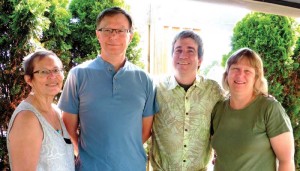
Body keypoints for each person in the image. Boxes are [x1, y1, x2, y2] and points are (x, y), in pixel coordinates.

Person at [58, 7, 158, 171]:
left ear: (130, 36)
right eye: (107, 30)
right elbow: (68, 126)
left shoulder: (144, 79)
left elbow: (146, 130)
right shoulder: (78, 75)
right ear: (98, 34)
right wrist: (85, 157)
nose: (113, 36)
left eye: (120, 30)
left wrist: (122, 155)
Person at [150, 30, 224, 170]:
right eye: (178, 50)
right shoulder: (156, 88)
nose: (183, 55)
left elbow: (233, 110)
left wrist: (261, 95)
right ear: (172, 56)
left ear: (200, 59)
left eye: (190, 51)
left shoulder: (213, 90)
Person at [211, 47, 295, 171]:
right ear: (227, 74)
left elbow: (286, 161)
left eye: (247, 71)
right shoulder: (218, 109)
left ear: (256, 77)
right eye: (235, 69)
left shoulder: (270, 108)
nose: (240, 75)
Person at [6, 49, 74, 171]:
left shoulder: (56, 111)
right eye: (43, 72)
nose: (52, 76)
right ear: (29, 80)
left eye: (56, 70)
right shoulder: (27, 118)